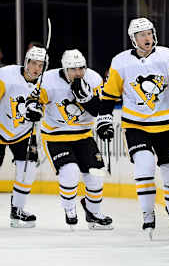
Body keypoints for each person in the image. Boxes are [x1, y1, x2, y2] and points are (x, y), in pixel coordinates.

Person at [98, 18, 169, 239]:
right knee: (144, 166)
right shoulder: (121, 62)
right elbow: (109, 94)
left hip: (166, 125)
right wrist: (104, 118)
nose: (147, 38)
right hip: (136, 126)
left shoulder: (168, 55)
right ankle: (147, 214)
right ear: (133, 39)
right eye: (141, 34)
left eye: (149, 33)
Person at [34, 49, 113, 230]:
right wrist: (33, 108)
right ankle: (69, 209)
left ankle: (93, 212)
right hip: (56, 136)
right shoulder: (48, 80)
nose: (78, 73)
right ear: (65, 68)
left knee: (96, 174)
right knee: (70, 171)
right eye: (73, 69)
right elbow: (35, 100)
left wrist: (86, 99)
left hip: (84, 135)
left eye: (81, 68)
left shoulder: (93, 79)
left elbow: (100, 109)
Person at [0, 46, 47, 228]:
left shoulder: (45, 83)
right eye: (33, 64)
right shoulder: (6, 75)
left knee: (28, 170)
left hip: (23, 132)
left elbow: (46, 107)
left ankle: (18, 209)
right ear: (26, 62)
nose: (37, 68)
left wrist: (38, 113)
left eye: (41, 65)